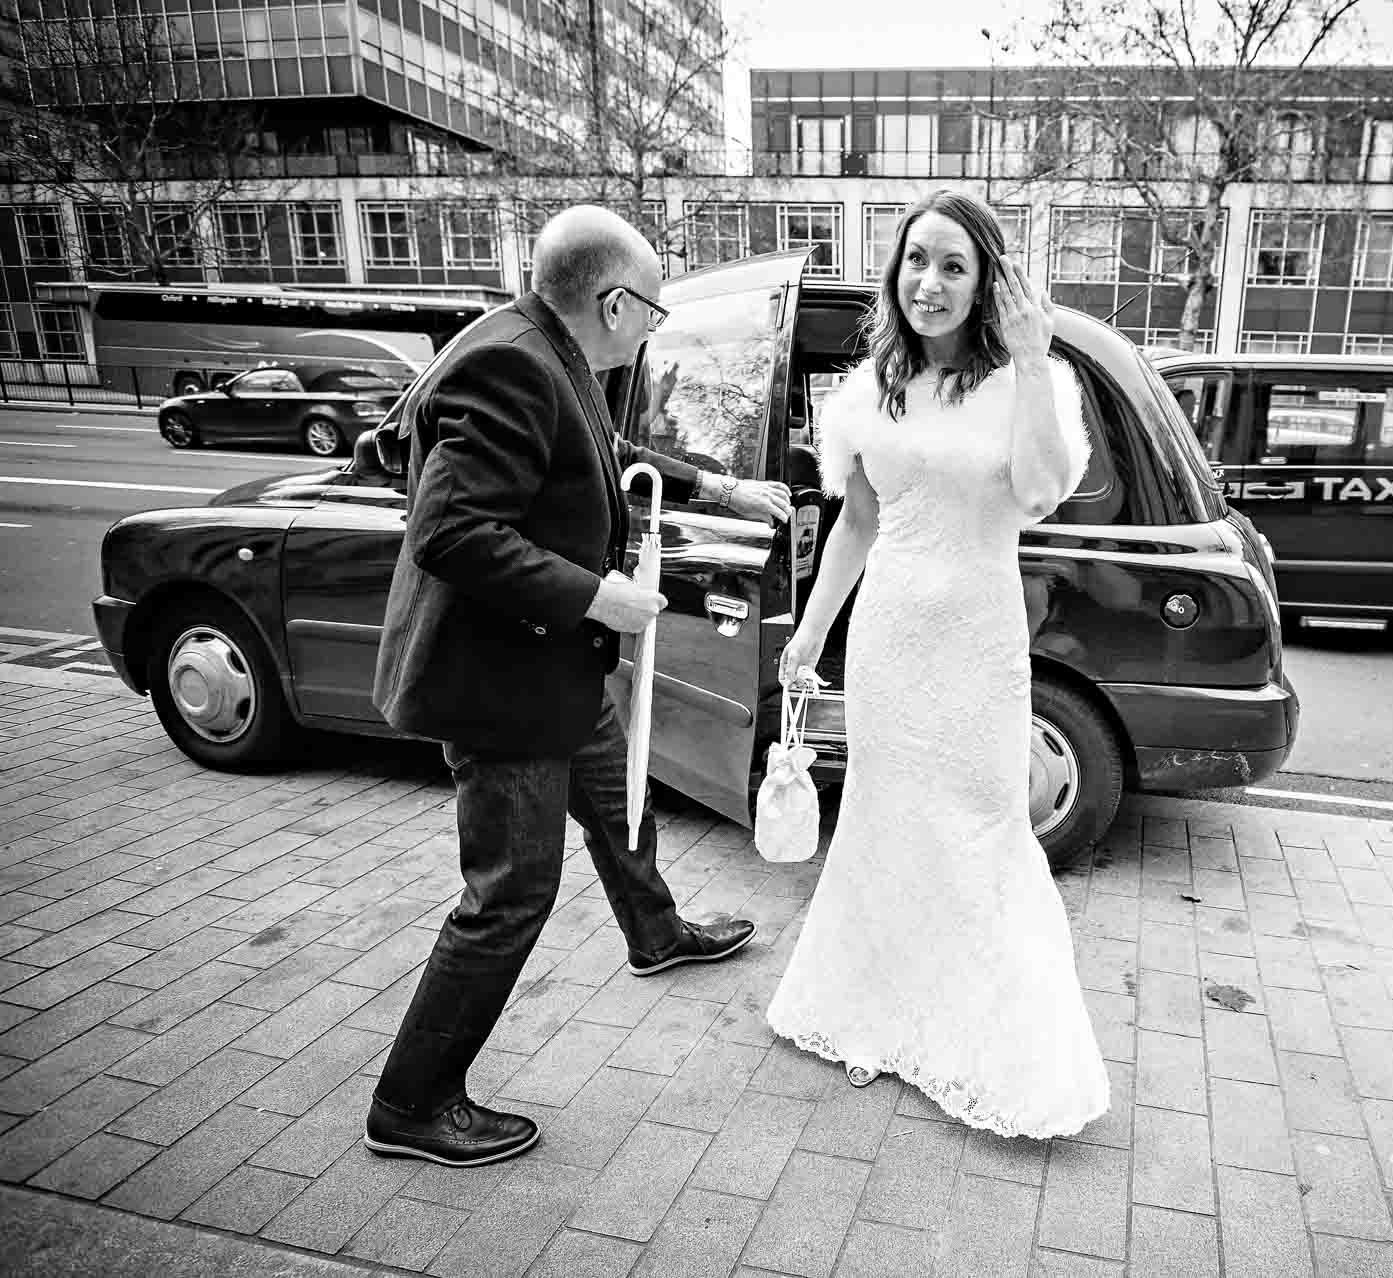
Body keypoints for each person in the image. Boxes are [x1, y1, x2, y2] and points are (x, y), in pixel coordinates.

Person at [364, 205, 791, 1168]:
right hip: (500, 683)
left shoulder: (552, 352)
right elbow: (452, 533)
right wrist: (599, 597)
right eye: (654, 310)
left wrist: (721, 491)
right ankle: (412, 1103)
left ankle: (657, 930)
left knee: (618, 794)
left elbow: (611, 455)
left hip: (548, 667)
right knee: (512, 892)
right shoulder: (512, 364)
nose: (656, 327)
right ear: (612, 300)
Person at [767, 189, 1110, 1139]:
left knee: (980, 828)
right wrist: (808, 633)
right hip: (888, 641)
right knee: (885, 820)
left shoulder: (1024, 383)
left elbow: (1040, 493)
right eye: (917, 260)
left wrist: (1038, 358)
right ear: (896, 271)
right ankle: (879, 1014)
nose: (930, 282)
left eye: (954, 265)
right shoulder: (869, 387)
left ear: (985, 280)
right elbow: (859, 524)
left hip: (976, 643)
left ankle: (982, 1032)